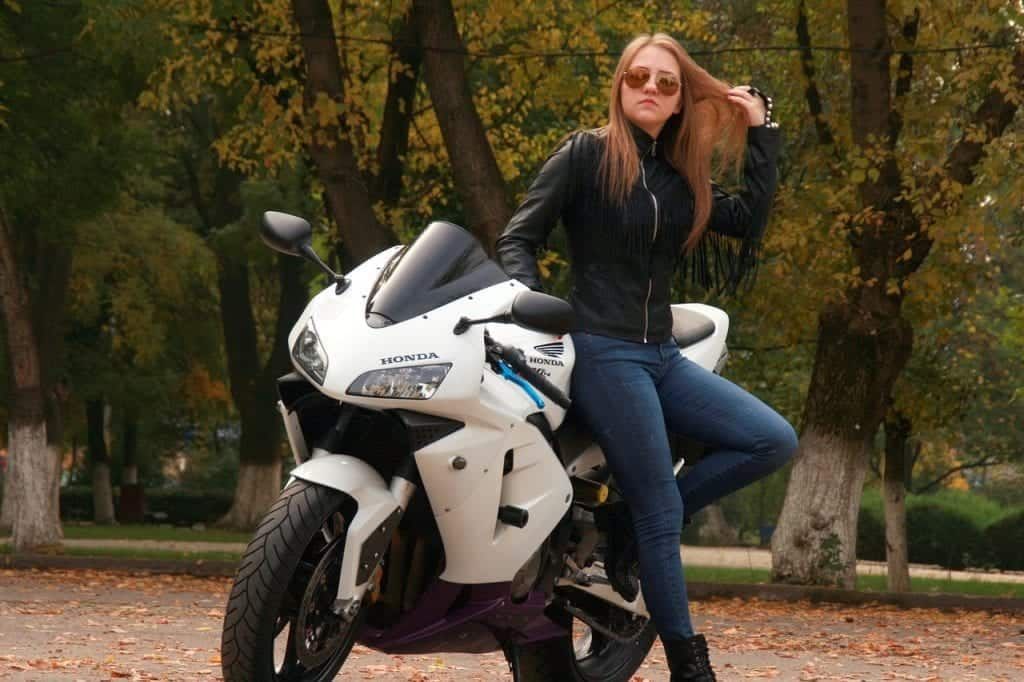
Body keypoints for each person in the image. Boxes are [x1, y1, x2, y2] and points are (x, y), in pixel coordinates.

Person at [495, 33, 798, 682]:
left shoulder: (681, 180)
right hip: (601, 352)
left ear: (680, 97)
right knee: (662, 510)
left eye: (666, 82)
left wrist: (762, 131)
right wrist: (526, 302)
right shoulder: (585, 155)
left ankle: (633, 518)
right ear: (620, 84)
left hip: (661, 355)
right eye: (639, 77)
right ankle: (691, 667)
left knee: (772, 439)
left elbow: (748, 220)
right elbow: (520, 237)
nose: (651, 89)